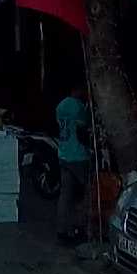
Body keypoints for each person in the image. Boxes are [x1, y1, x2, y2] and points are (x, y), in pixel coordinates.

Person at [56, 83, 91, 245]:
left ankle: (62, 230)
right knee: (83, 195)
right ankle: (79, 228)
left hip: (63, 153)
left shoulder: (60, 106)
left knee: (65, 195)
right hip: (78, 156)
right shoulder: (79, 107)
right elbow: (83, 130)